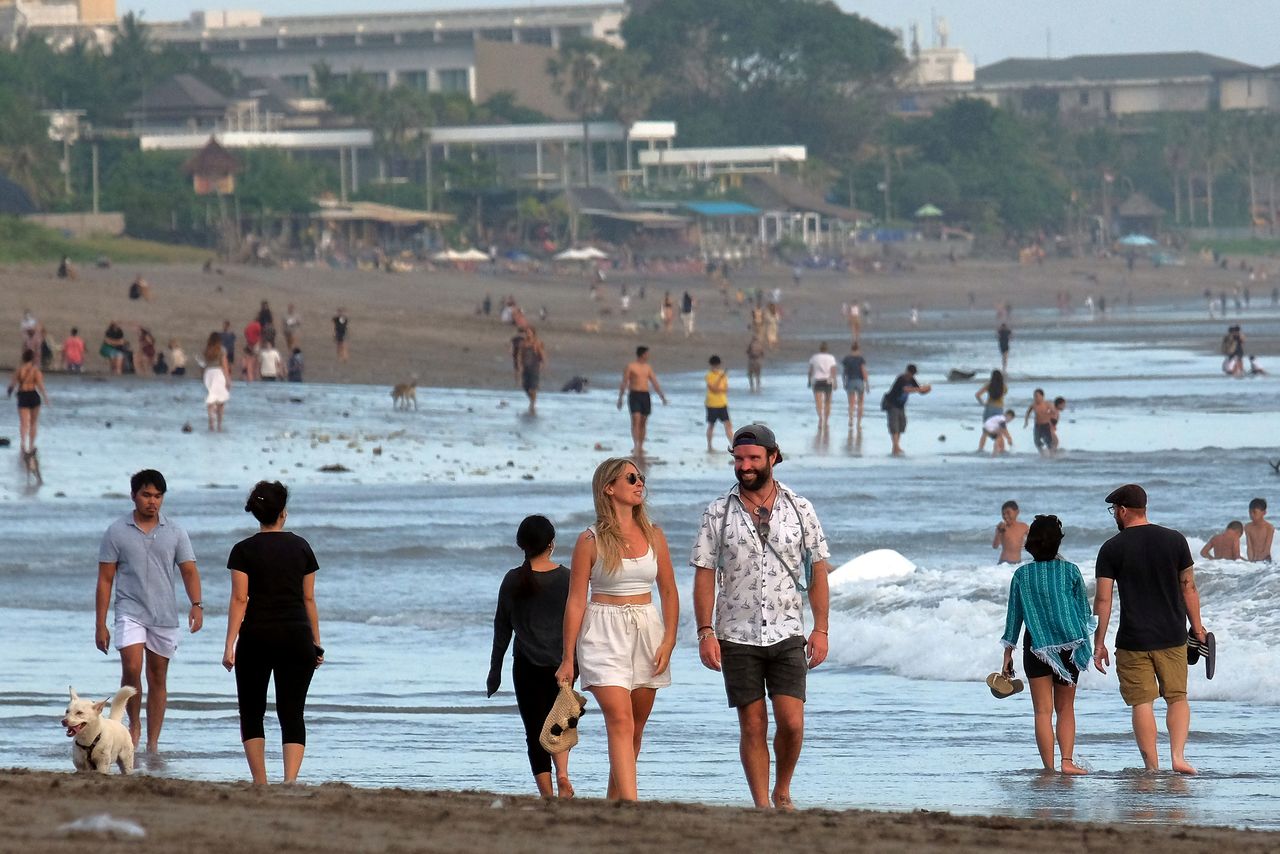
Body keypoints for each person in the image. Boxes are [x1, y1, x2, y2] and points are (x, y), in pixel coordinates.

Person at [690, 424, 832, 810]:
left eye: (753, 458)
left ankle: (782, 789)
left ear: (773, 457)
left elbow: (818, 570)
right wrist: (705, 631)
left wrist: (821, 629)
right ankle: (762, 806)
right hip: (735, 634)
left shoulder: (800, 509)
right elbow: (703, 573)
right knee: (752, 724)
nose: (745, 466)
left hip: (788, 630)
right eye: (739, 459)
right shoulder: (717, 512)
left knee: (792, 722)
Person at [555, 458, 679, 801]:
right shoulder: (589, 540)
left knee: (636, 727)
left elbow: (668, 590)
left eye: (641, 477)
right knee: (621, 720)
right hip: (603, 631)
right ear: (609, 488)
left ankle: (615, 803)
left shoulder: (654, 534)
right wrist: (568, 658)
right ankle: (632, 804)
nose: (639, 482)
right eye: (630, 478)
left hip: (647, 629)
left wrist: (669, 639)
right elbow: (576, 601)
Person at [1093, 484, 1207, 774]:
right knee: (1177, 697)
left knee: (1142, 703)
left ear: (1122, 510)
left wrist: (1099, 642)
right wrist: (1198, 627)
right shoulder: (1175, 540)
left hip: (1133, 639)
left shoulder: (1111, 548)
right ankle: (1179, 757)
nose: (1113, 516)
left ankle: (1151, 767)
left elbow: (1103, 599)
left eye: (1113, 511)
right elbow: (1188, 587)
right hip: (1172, 635)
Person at [222, 481, 323, 785]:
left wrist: (230, 645)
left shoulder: (243, 551)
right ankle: (290, 781)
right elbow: (308, 599)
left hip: (256, 638)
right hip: (296, 637)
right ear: (283, 513)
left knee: (252, 712)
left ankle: (260, 782)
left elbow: (240, 600)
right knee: (292, 712)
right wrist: (316, 643)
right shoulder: (302, 546)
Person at [95, 469, 203, 752]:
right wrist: (100, 623)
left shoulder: (176, 531)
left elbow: (189, 571)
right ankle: (133, 725)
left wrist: (196, 604)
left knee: (157, 677)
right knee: (132, 668)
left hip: (164, 614)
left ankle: (153, 743)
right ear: (134, 496)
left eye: (157, 496)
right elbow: (105, 580)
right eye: (146, 495)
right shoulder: (117, 531)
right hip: (129, 610)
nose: (152, 501)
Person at [1000, 514, 1094, 775]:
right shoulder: (1070, 571)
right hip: (1069, 646)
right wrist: (1089, 646)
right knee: (1065, 709)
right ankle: (1067, 763)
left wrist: (1007, 655)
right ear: (1057, 543)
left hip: (1035, 646)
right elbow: (1083, 614)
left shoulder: (1022, 574)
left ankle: (1049, 769)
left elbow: (1014, 618)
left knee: (1042, 712)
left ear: (1031, 543)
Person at [488, 515, 574, 799]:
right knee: (559, 723)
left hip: (526, 667)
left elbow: (502, 628)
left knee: (534, 731)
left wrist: (495, 671)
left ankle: (547, 796)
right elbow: (580, 624)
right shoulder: (567, 578)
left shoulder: (513, 579)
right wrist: (577, 661)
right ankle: (563, 774)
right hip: (562, 664)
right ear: (551, 544)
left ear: (520, 544)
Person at [617, 346, 668, 457]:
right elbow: (624, 382)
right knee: (636, 420)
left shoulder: (648, 368)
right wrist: (620, 398)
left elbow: (654, 382)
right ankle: (635, 445)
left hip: (645, 395)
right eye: (647, 354)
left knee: (643, 422)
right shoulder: (631, 366)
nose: (648, 356)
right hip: (634, 395)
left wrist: (662, 397)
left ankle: (641, 446)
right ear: (642, 354)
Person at [883, 364, 932, 457]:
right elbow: (906, 389)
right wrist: (920, 388)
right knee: (894, 426)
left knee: (901, 425)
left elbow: (919, 391)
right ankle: (895, 446)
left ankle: (896, 446)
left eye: (913, 374)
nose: (912, 375)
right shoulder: (901, 378)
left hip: (901, 406)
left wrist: (926, 390)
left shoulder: (912, 379)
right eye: (911, 373)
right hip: (892, 404)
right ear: (907, 371)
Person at [7, 349, 48, 455]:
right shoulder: (36, 371)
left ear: (23, 358)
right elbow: (40, 386)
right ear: (32, 359)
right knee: (33, 423)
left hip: (23, 396)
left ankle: (23, 444)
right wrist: (46, 398)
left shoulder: (19, 370)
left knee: (23, 423)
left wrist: (9, 393)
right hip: (34, 396)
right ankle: (31, 445)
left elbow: (12, 385)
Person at [515, 327, 547, 415]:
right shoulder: (523, 343)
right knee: (525, 386)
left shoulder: (537, 343)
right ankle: (532, 400)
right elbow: (519, 355)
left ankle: (532, 404)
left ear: (533, 333)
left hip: (534, 367)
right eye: (527, 333)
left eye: (529, 333)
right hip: (525, 367)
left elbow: (542, 355)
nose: (528, 334)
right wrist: (519, 364)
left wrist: (543, 364)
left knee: (533, 388)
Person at [203, 332, 231, 432]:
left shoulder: (207, 350)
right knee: (221, 401)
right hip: (218, 373)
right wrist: (228, 380)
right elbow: (224, 365)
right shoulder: (222, 350)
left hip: (208, 373)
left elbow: (204, 364)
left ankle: (211, 420)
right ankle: (219, 424)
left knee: (211, 398)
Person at [807, 342, 838, 433]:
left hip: (817, 380)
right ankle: (826, 421)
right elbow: (833, 371)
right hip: (828, 381)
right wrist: (835, 382)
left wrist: (809, 380)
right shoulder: (831, 358)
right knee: (828, 402)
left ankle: (820, 418)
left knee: (818, 401)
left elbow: (810, 370)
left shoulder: (814, 357)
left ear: (820, 348)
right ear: (827, 349)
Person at [704, 355, 733, 453]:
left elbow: (725, 388)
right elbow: (713, 388)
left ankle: (733, 445)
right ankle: (709, 446)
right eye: (714, 366)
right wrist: (720, 378)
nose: (716, 368)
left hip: (722, 403)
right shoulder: (709, 375)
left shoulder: (723, 375)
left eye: (717, 366)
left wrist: (721, 380)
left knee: (728, 425)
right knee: (711, 425)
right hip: (712, 404)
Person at [975, 370, 1007, 453]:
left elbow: (977, 395)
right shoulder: (1004, 387)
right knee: (1000, 431)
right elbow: (1005, 393)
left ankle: (980, 449)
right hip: (999, 409)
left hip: (989, 408)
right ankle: (1002, 450)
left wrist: (983, 403)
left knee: (985, 431)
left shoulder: (989, 385)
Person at [841, 342, 869, 431]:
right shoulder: (861, 359)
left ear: (851, 349)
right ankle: (859, 423)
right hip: (860, 382)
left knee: (851, 404)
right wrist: (867, 383)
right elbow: (863, 371)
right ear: (858, 349)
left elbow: (844, 372)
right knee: (860, 403)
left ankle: (851, 420)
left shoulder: (847, 359)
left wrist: (844, 382)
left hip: (850, 381)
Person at [992, 500, 1029, 564]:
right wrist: (999, 532)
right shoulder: (1002, 528)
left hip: (1018, 563)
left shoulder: (1023, 527)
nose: (1005, 516)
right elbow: (995, 546)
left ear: (1017, 512)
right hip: (1004, 564)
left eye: (1008, 513)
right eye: (1003, 514)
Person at [1244, 498, 1274, 562]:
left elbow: (1267, 549)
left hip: (1266, 560)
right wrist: (1251, 560)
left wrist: (1258, 561)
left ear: (1264, 513)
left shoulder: (1269, 527)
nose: (1251, 515)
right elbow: (1249, 547)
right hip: (1254, 560)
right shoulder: (1247, 527)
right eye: (1250, 512)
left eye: (1254, 512)